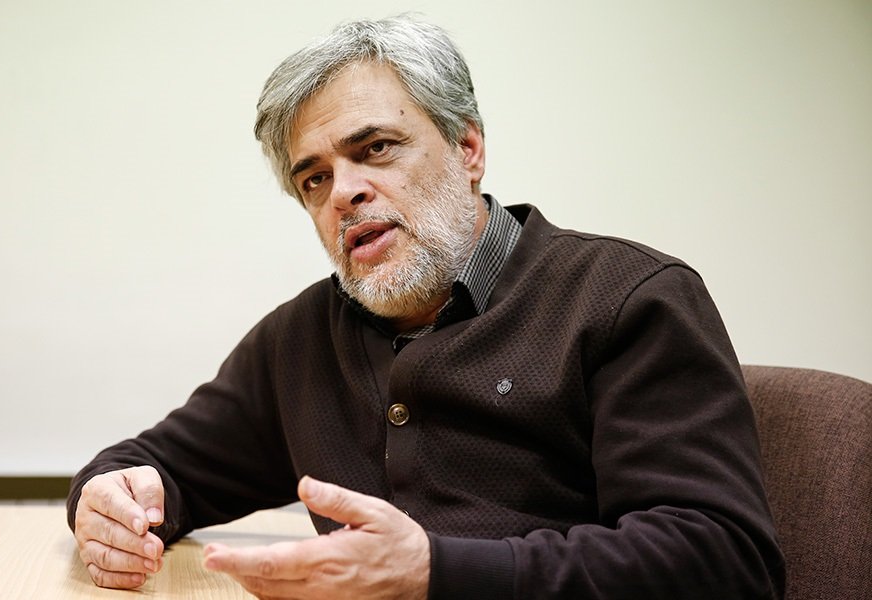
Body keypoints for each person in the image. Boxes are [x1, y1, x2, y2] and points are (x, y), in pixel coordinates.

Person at [68, 15, 785, 599]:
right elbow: (154, 467)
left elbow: (722, 561)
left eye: (376, 148)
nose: (343, 192)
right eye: (314, 179)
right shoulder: (301, 340)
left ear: (468, 148)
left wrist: (434, 574)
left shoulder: (626, 299)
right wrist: (112, 502)